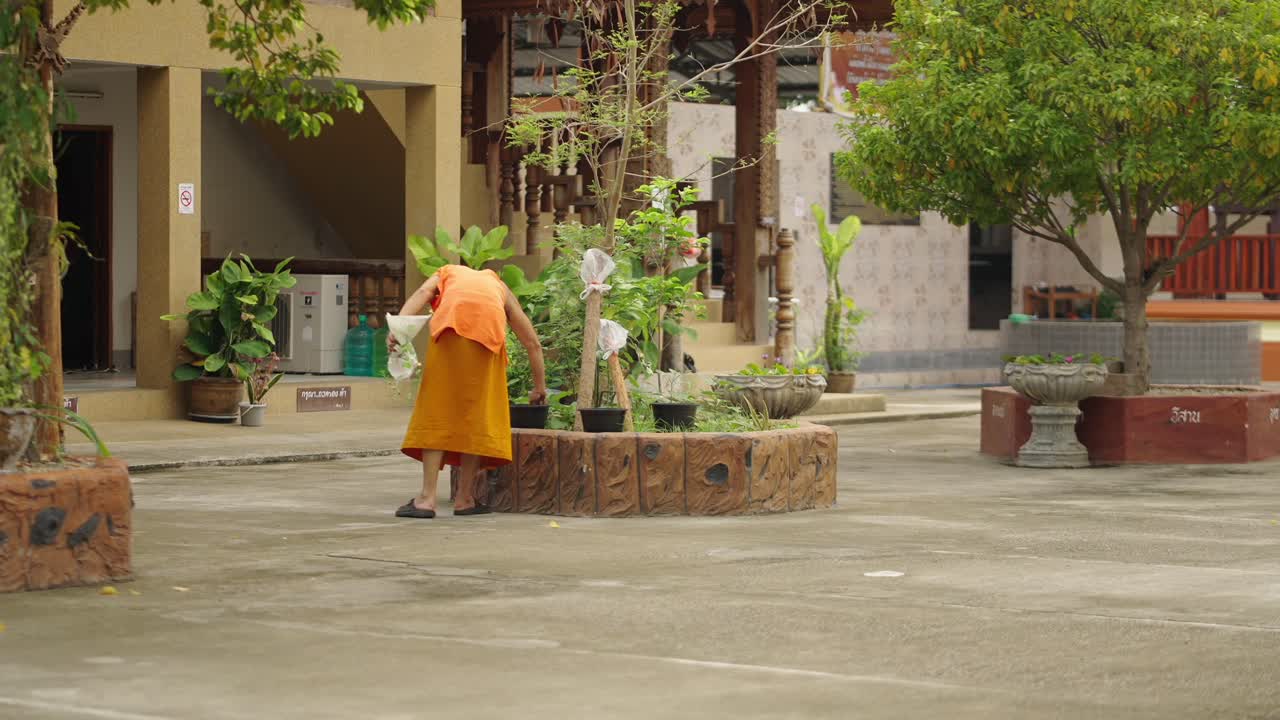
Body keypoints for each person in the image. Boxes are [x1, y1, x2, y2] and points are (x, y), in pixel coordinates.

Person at [389, 264, 546, 519]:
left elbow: (421, 292)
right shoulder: (499, 286)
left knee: (436, 411)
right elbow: (532, 343)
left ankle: (426, 500)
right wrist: (539, 388)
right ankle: (464, 499)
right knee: (476, 416)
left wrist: (397, 329)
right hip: (487, 346)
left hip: (450, 336)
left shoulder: (446, 272)